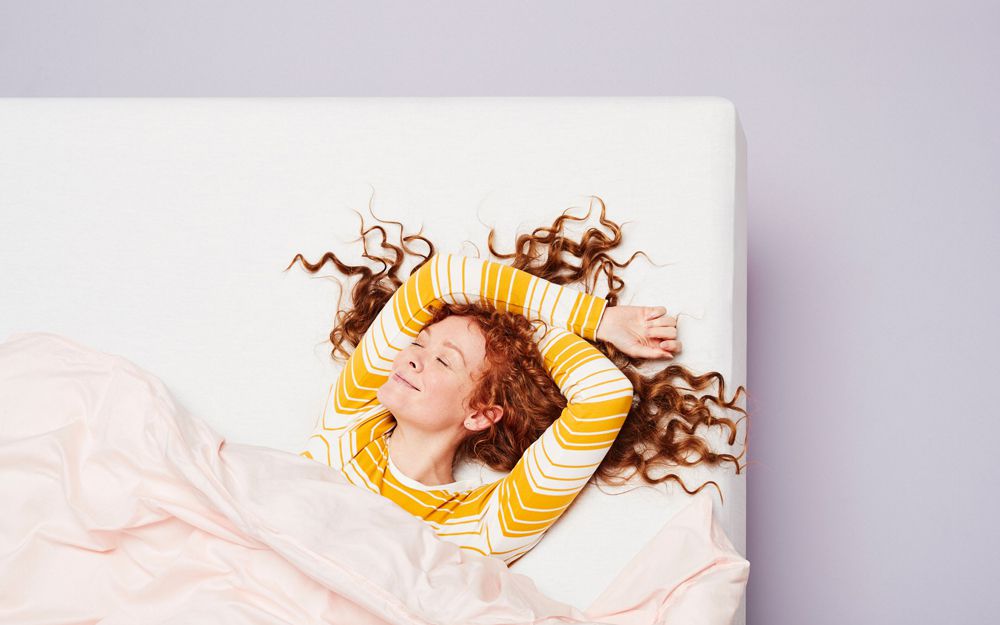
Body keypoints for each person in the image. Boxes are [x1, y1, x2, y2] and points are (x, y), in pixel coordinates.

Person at [300, 252, 679, 565]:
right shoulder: (349, 426)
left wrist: (526, 330)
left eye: (444, 361)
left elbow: (605, 394)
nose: (413, 359)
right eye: (418, 343)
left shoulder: (479, 527)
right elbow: (440, 278)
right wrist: (593, 319)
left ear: (480, 414)